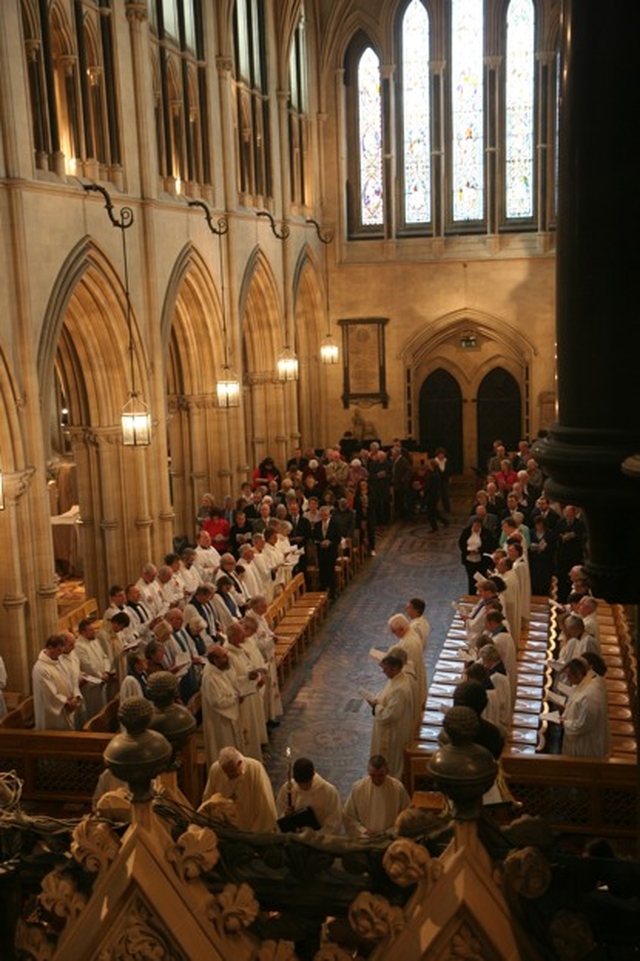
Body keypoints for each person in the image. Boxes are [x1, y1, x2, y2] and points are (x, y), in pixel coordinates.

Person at [365, 648, 415, 781]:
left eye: (385, 669)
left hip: (392, 733)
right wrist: (378, 700)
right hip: (389, 728)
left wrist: (376, 706)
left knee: (390, 763)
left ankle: (389, 784)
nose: (383, 671)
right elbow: (387, 699)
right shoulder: (396, 679)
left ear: (394, 668)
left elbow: (390, 715)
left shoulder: (400, 688)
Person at [201, 746, 277, 833]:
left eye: (232, 771)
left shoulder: (255, 768)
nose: (229, 775)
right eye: (226, 771)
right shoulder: (216, 769)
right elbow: (208, 800)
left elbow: (265, 806)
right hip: (225, 831)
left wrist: (254, 836)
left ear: (240, 763)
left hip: (250, 831)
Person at [343, 754, 410, 839]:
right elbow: (348, 815)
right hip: (365, 837)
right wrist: (363, 830)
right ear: (368, 770)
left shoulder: (397, 788)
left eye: (381, 775)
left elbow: (406, 815)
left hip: (389, 837)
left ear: (387, 771)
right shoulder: (358, 788)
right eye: (373, 775)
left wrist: (388, 832)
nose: (376, 779)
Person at [200, 645, 244, 768]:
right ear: (215, 660)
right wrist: (235, 698)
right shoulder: (209, 677)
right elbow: (217, 701)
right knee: (223, 747)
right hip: (219, 721)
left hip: (227, 716)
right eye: (224, 656)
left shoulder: (219, 670)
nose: (227, 658)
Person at [276, 756, 343, 835]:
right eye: (299, 784)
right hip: (294, 837)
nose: (303, 787)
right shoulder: (288, 788)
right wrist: (285, 815)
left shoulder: (329, 791)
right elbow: (279, 815)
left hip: (319, 840)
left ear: (312, 776)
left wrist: (313, 837)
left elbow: (334, 823)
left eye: (306, 784)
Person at [560, 657, 610, 758]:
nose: (568, 680)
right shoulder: (586, 680)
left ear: (578, 674)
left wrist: (564, 723)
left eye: (569, 676)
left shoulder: (590, 695)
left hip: (585, 745)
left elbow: (584, 724)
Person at [32, 634, 82, 730]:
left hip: (67, 706)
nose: (61, 654)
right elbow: (49, 694)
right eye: (59, 650)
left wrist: (75, 696)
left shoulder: (57, 661)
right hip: (54, 713)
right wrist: (67, 703)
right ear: (50, 648)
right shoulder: (41, 668)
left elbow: (71, 680)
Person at [313, 504, 341, 596]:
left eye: (326, 515)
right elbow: (314, 538)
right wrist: (320, 543)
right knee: (322, 571)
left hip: (331, 552)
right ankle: (323, 590)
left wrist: (330, 542)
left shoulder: (335, 525)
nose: (324, 517)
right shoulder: (317, 525)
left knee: (330, 571)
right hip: (321, 551)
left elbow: (337, 538)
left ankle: (332, 591)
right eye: (322, 515)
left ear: (329, 515)